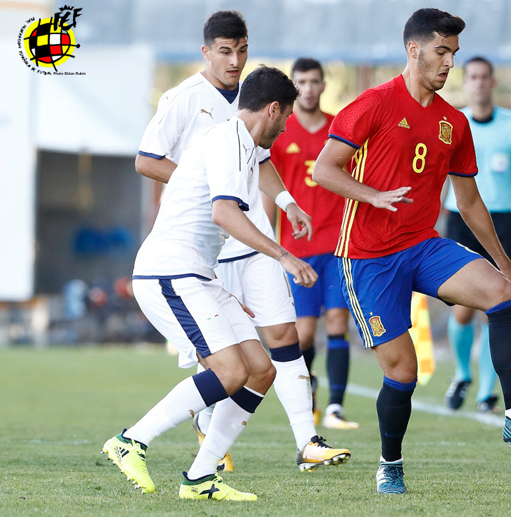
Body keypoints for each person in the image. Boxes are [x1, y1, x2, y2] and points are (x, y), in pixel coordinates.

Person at [312, 8, 511, 495]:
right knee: (404, 371)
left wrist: (508, 267)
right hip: (368, 258)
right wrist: (372, 195)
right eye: (441, 52)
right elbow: (324, 169)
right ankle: (389, 464)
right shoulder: (372, 104)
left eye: (453, 54)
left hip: (422, 244)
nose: (449, 64)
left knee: (502, 295)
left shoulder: (453, 123)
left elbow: (470, 201)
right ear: (413, 50)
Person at [133, 11, 349, 471]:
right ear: (206, 51)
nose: (234, 60)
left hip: (253, 234)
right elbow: (147, 160)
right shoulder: (183, 99)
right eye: (225, 51)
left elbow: (263, 161)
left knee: (279, 342)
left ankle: (306, 441)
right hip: (210, 239)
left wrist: (288, 202)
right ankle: (182, 440)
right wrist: (207, 184)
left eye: (242, 50)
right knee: (223, 360)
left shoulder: (256, 98)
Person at [103, 65, 315, 500]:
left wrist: (224, 289)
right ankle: (130, 441)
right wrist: (284, 255)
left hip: (196, 274)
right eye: (286, 117)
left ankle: (201, 478)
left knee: (260, 370)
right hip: (169, 272)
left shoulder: (236, 142)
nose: (286, 126)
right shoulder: (230, 140)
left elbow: (210, 220)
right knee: (231, 371)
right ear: (273, 109)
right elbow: (224, 215)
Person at [441, 56, 511, 414]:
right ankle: (462, 374)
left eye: (485, 77)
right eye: (473, 77)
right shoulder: (453, 122)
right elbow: (438, 177)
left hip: (500, 222)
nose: (480, 83)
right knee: (464, 312)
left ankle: (486, 392)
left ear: (493, 81)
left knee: (498, 305)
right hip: (459, 220)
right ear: (465, 82)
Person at [270, 57, 358, 430]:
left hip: (338, 244)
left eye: (314, 81)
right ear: (294, 86)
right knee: (304, 332)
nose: (308, 88)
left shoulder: (340, 128)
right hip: (296, 247)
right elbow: (267, 186)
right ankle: (311, 393)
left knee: (338, 321)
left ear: (323, 86)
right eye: (301, 82)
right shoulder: (280, 132)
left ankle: (337, 407)